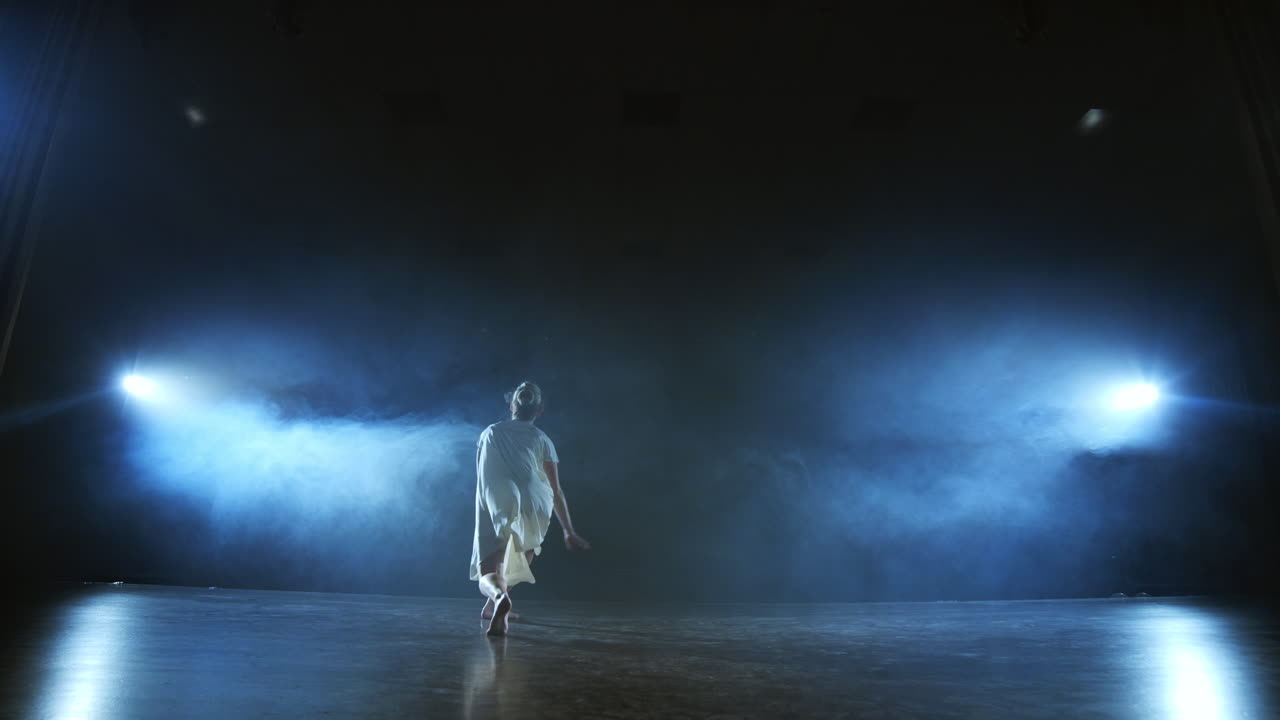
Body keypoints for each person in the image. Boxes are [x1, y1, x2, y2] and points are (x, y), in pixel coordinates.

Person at [470, 381, 590, 636]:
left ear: (512, 405)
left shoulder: (490, 432)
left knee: (489, 569)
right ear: (539, 411)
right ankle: (492, 607)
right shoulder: (542, 439)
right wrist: (568, 530)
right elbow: (556, 489)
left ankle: (499, 597)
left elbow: (481, 475)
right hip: (535, 500)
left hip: (499, 497)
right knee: (524, 553)